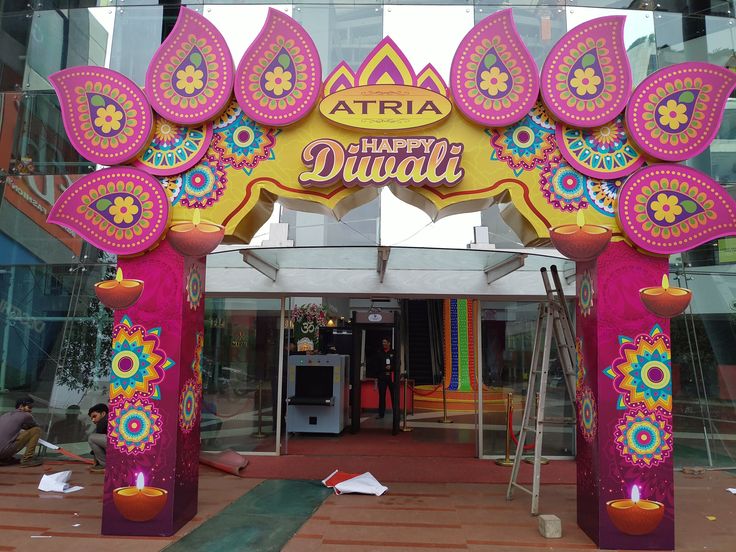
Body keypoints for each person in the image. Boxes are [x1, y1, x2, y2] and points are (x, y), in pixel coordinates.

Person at [0, 397, 43, 467]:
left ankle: (4, 459)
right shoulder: (26, 415)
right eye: (29, 407)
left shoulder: (5, 415)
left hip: (3, 451)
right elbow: (35, 426)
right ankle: (27, 460)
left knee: (15, 434)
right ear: (21, 406)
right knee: (36, 430)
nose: (31, 410)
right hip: (3, 451)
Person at [376, 338, 397, 419]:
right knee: (382, 396)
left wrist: (391, 367)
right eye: (383, 342)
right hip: (382, 377)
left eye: (385, 342)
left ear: (389, 343)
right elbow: (376, 364)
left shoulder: (394, 352)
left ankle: (396, 413)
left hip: (391, 376)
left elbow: (398, 363)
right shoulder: (379, 352)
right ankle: (381, 414)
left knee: (394, 395)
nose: (383, 344)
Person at [87, 403, 108, 473]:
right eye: (91, 418)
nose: (93, 420)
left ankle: (105, 465)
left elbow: (96, 444)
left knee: (91, 438)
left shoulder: (103, 421)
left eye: (94, 416)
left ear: (103, 414)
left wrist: (96, 462)